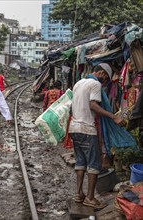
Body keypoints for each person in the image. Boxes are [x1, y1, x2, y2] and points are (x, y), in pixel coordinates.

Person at [69, 63, 122, 209]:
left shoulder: (78, 83)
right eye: (105, 78)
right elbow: (93, 105)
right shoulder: (95, 84)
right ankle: (90, 198)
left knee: (80, 162)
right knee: (94, 164)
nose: (104, 81)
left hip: (74, 128)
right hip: (87, 129)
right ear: (101, 73)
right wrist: (112, 116)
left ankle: (79, 194)